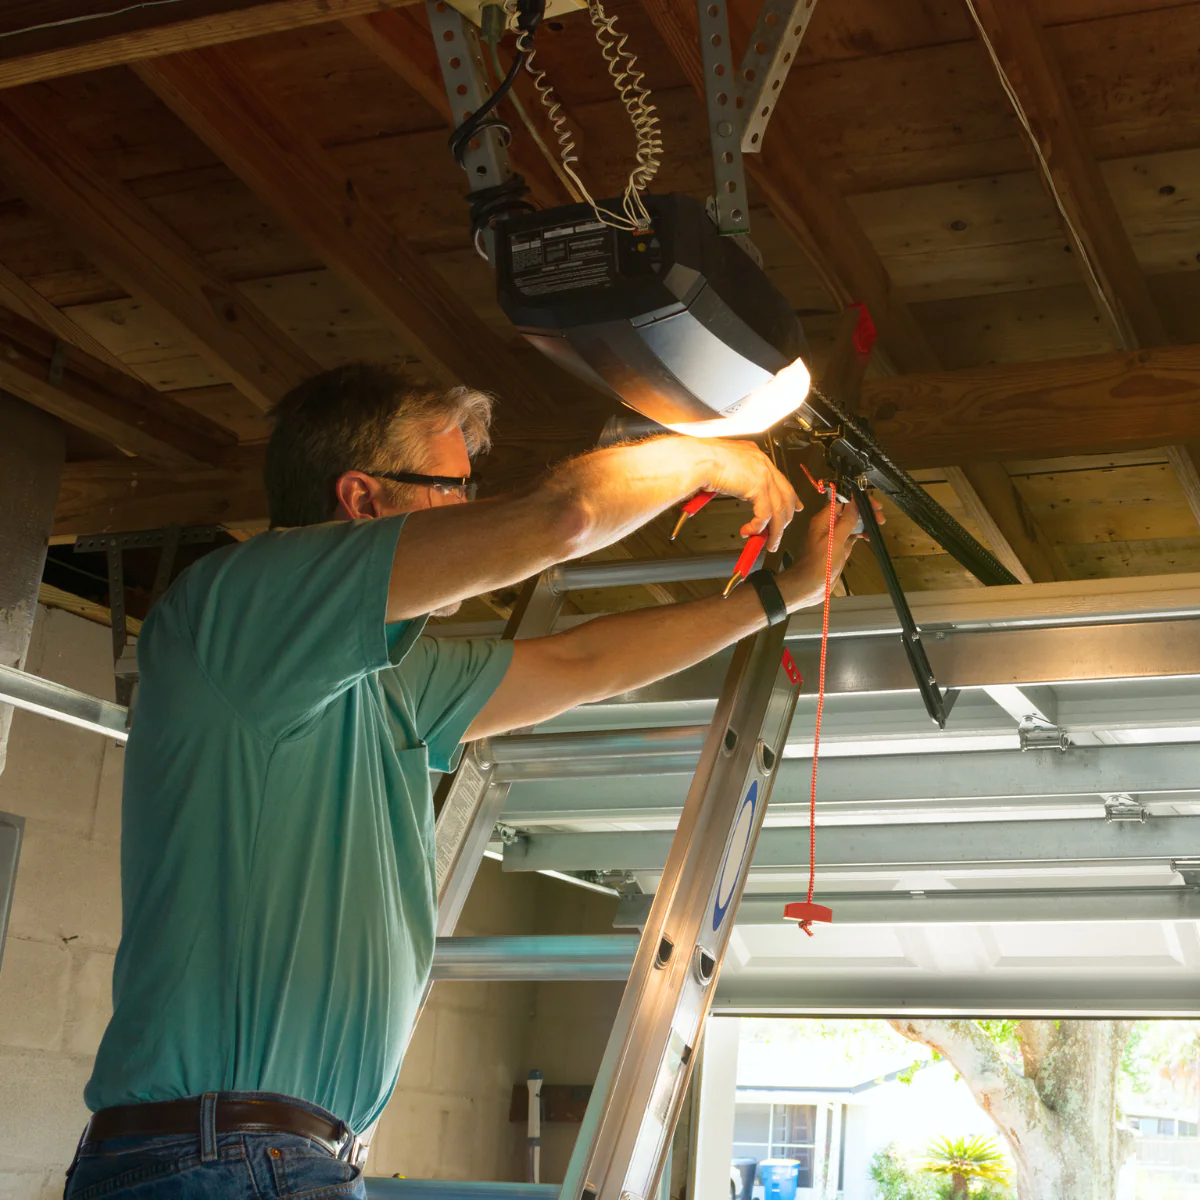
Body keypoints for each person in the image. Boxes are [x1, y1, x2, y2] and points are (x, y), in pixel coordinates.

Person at [65, 363, 877, 1199]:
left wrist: (777, 595)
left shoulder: (386, 680)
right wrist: (711, 459)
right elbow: (561, 518)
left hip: (268, 1157)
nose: (466, 511)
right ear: (362, 499)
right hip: (222, 1156)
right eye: (451, 489)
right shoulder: (241, 608)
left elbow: (580, 663)